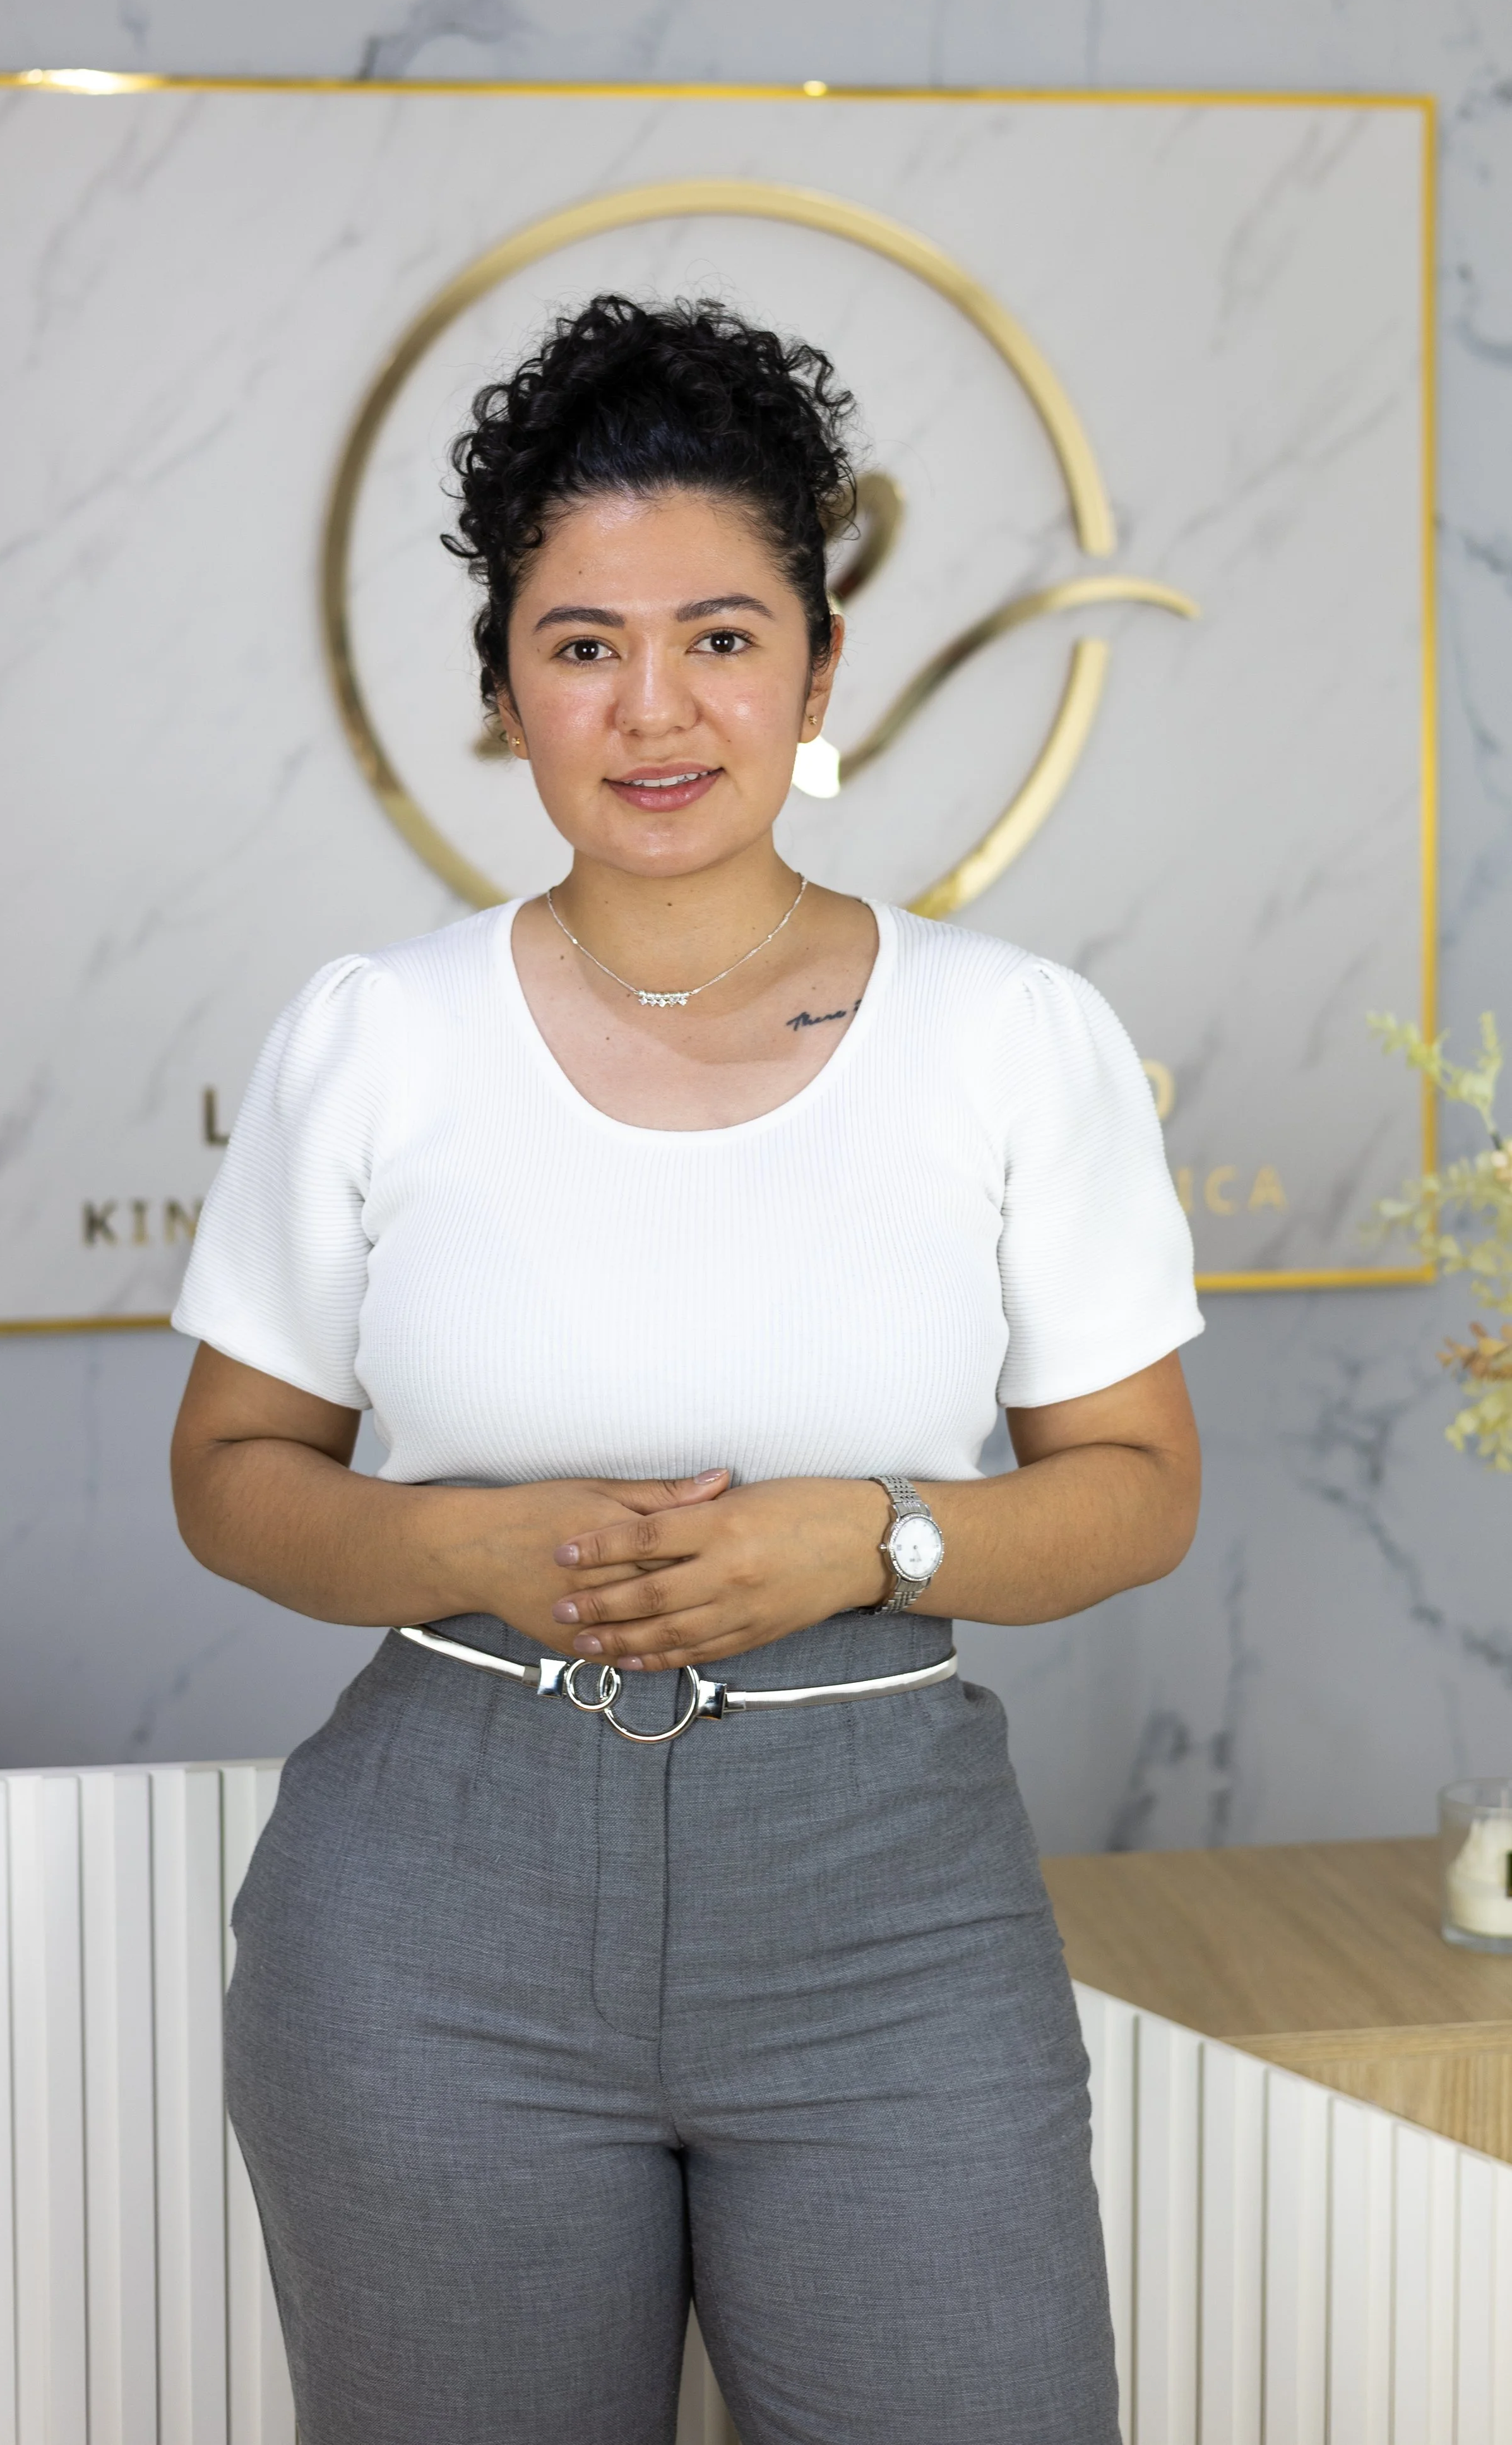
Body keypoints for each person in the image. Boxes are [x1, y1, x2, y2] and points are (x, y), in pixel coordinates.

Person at [170, 293, 1203, 2445]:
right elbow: (234, 1466)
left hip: (884, 1908)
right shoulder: (376, 1032)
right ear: (502, 692)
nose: (653, 706)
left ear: (817, 672)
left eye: (721, 636)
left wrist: (873, 1537)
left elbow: (1136, 1482)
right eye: (581, 643)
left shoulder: (1012, 1035)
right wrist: (476, 1546)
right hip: (431, 1918)